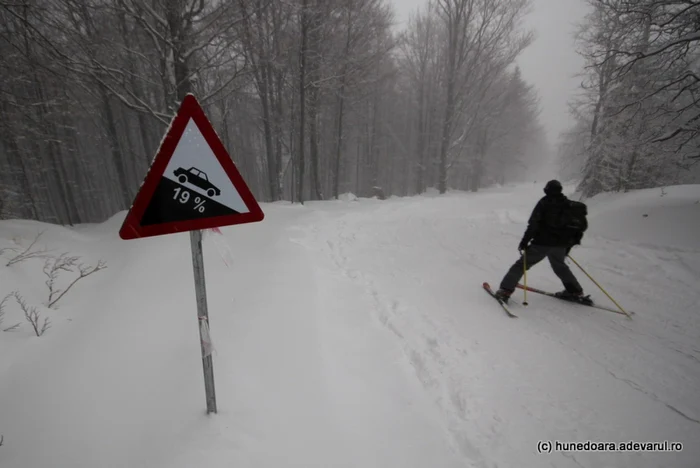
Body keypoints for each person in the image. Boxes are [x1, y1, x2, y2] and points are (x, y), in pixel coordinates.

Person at [495, 180, 588, 304]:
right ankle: (575, 291)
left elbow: (533, 224)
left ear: (547, 190)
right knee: (560, 267)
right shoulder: (568, 204)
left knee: (521, 265)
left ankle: (505, 291)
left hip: (542, 243)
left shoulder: (544, 203)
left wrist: (524, 241)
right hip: (561, 244)